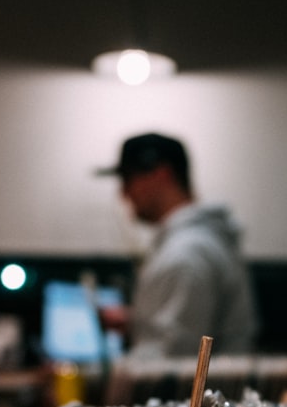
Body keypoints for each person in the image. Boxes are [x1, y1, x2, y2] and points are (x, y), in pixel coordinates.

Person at [99, 132, 257, 358]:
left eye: (128, 180)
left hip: (194, 394)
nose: (123, 194)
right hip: (209, 392)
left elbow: (172, 357)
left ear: (161, 175)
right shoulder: (198, 243)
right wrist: (138, 322)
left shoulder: (187, 254)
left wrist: (98, 378)